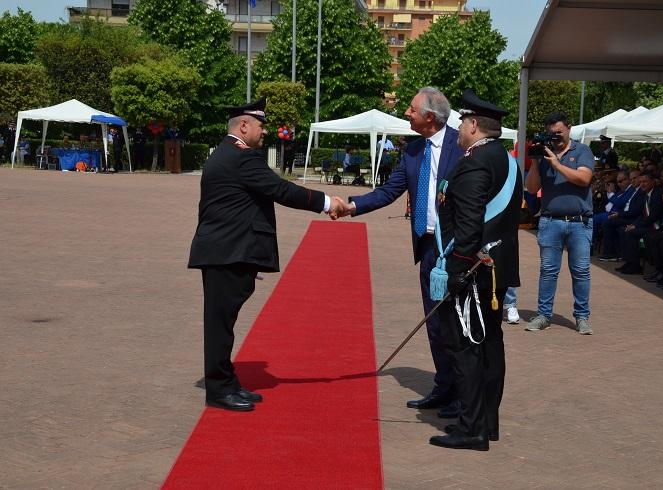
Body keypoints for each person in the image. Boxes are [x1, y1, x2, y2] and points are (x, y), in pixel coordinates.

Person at [187, 98, 342, 412]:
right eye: (261, 125)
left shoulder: (227, 153)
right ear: (244, 125)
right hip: (227, 252)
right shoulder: (242, 157)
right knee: (220, 325)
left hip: (226, 250)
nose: (265, 131)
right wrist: (327, 202)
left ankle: (226, 382)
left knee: (223, 323)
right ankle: (218, 389)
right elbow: (281, 190)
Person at [335, 87, 464, 417]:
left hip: (458, 249)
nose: (406, 113)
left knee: (456, 323)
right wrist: (352, 206)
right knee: (434, 322)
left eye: (411, 108)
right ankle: (444, 387)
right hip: (428, 247)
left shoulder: (461, 145)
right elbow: (389, 191)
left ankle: (464, 394)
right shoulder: (413, 149)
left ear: (430, 117)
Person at [428, 89, 521, 450]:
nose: (458, 130)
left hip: (473, 271)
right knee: (490, 345)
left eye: (462, 123)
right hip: (497, 267)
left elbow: (468, 223)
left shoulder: (475, 162)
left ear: (472, 125)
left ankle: (472, 428)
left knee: (466, 346)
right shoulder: (506, 160)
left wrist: (456, 270)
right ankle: (486, 422)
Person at [524, 111, 595, 335]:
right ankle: (543, 315)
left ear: (569, 128)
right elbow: (532, 188)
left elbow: (584, 178)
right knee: (548, 271)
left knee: (581, 271)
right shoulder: (545, 154)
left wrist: (556, 165)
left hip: (580, 222)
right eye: (551, 133)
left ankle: (582, 317)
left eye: (559, 132)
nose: (556, 137)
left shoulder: (582, 151)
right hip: (550, 221)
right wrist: (535, 161)